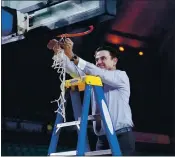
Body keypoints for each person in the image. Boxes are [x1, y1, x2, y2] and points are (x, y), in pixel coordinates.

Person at [47, 38, 135, 155]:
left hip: (121, 137)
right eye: (97, 59)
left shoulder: (120, 76)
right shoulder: (94, 77)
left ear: (114, 61)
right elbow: (74, 70)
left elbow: (98, 72)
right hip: (102, 139)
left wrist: (72, 55)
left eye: (103, 58)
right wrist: (58, 51)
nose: (99, 62)